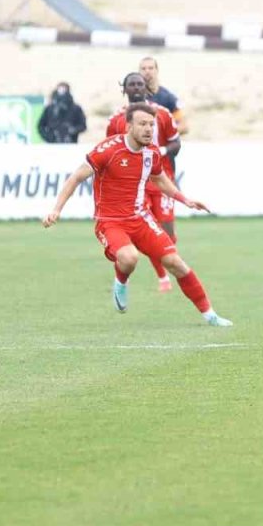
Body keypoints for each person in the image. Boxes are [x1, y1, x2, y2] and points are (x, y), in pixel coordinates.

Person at [43, 103, 232, 327]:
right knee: (129, 257)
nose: (148, 129)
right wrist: (56, 209)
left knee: (176, 262)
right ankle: (120, 282)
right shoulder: (108, 150)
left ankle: (210, 315)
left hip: (140, 219)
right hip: (110, 222)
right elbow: (76, 177)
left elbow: (160, 179)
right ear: (129, 126)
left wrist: (185, 199)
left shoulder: (151, 152)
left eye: (151, 124)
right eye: (142, 124)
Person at [108, 73, 182, 292]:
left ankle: (167, 270)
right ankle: (162, 278)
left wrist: (162, 151)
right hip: (134, 185)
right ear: (125, 90)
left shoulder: (163, 114)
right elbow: (109, 151)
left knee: (166, 233)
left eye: (140, 84)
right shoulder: (116, 120)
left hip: (161, 180)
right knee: (143, 232)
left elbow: (176, 143)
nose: (136, 88)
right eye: (132, 85)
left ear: (147, 88)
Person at [139, 56, 187, 135]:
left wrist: (162, 136)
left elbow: (183, 126)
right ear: (139, 72)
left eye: (150, 68)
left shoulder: (168, 98)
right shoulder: (134, 96)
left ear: (157, 70)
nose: (147, 71)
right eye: (143, 69)